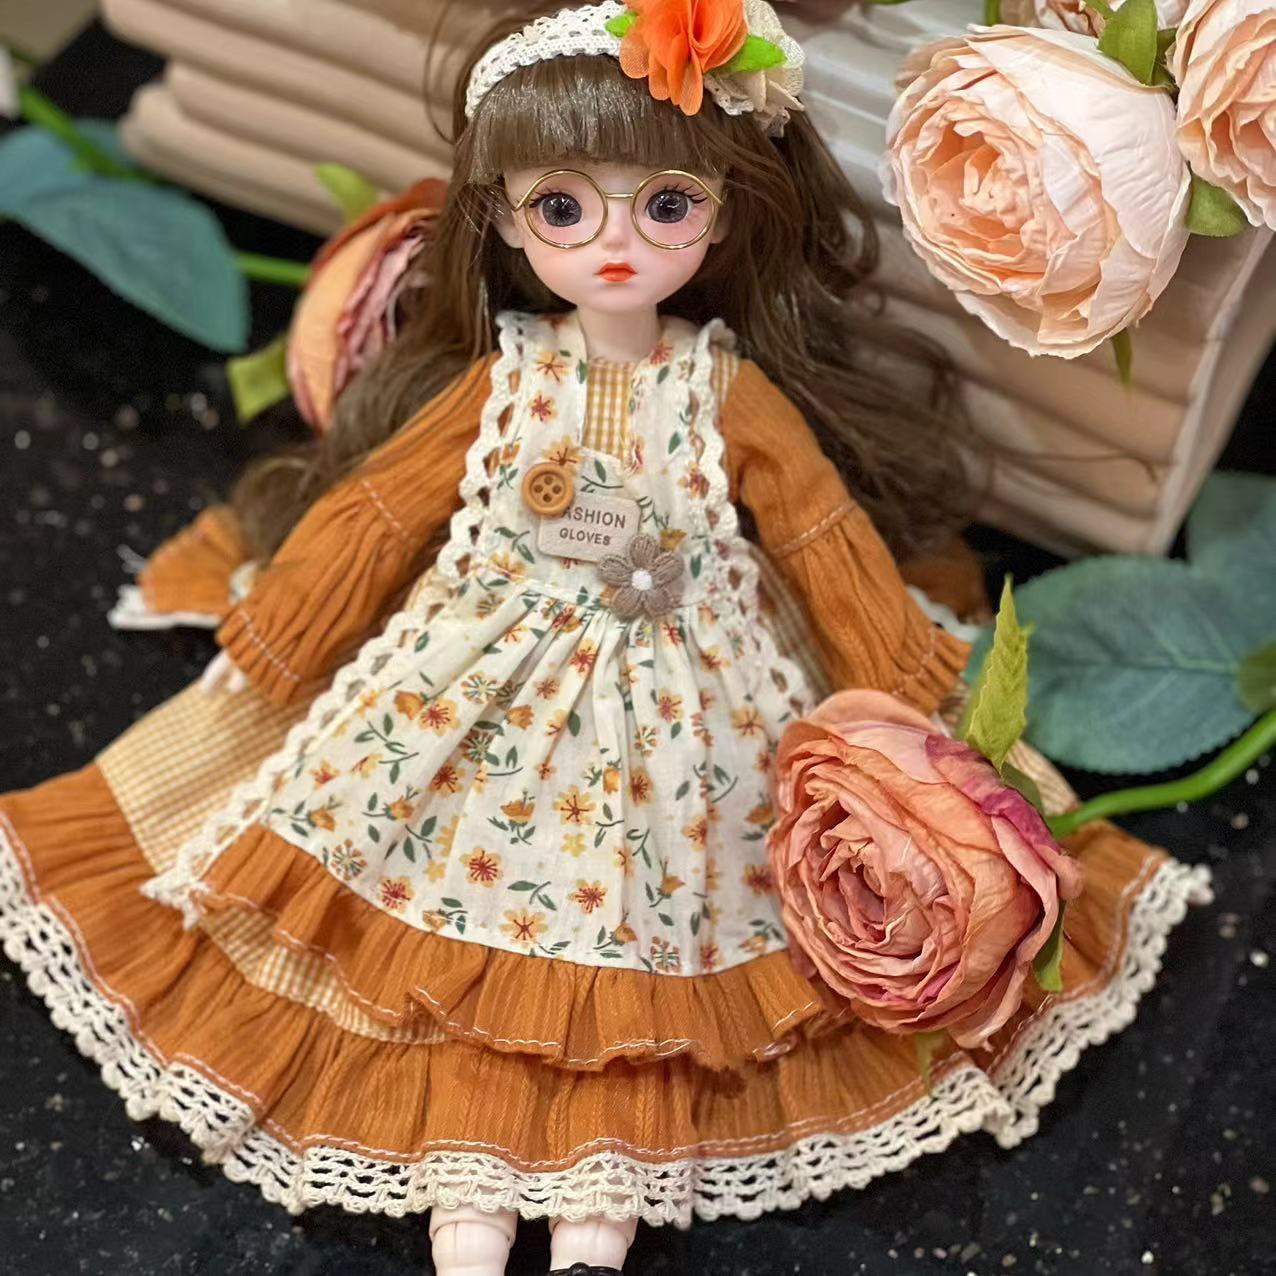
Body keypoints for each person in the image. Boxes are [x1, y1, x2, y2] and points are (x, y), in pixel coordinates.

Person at [0, 5, 1204, 1273]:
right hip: (479, 690)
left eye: (664, 206)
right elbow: (378, 511)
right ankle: (466, 1201)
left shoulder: (724, 387)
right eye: (564, 210)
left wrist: (905, 681)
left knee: (648, 936)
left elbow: (820, 537)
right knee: (447, 920)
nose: (614, 244)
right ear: (504, 221)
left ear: (725, 214)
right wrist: (287, 627)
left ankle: (597, 1207)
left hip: (693, 709)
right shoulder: (505, 377)